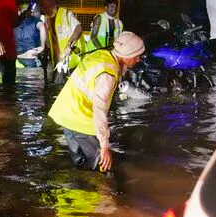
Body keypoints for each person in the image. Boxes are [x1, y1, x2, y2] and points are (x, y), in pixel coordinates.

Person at [48, 31, 144, 172]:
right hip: (79, 118)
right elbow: (99, 109)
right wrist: (105, 146)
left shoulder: (101, 55)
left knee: (80, 164)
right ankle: (103, 193)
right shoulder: (108, 74)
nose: (138, 60)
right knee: (102, 166)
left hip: (66, 113)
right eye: (136, 56)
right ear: (126, 55)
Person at [40, 0, 86, 81]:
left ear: (54, 5)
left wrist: (69, 45)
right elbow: (50, 42)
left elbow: (79, 28)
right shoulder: (46, 20)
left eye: (48, 5)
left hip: (72, 61)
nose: (47, 8)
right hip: (58, 64)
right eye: (44, 7)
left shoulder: (65, 14)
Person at [14, 1, 46, 68]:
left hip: (16, 60)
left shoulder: (14, 22)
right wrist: (42, 46)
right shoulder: (35, 21)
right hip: (30, 59)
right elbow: (42, 27)